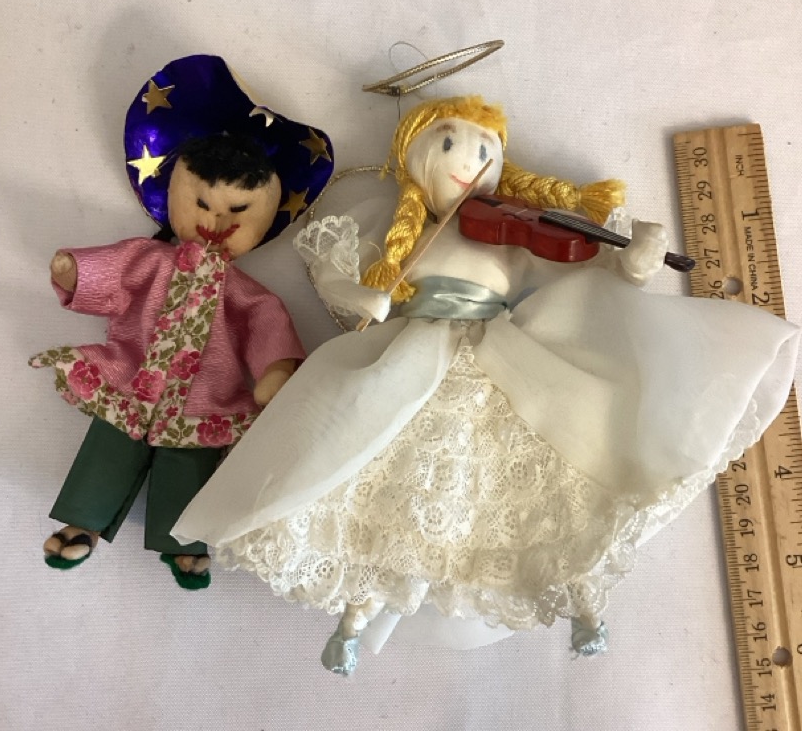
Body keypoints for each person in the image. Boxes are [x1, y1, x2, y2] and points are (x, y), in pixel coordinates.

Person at [173, 95, 798, 666]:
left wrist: (632, 263)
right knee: (377, 472)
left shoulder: (514, 237)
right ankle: (355, 617)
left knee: (545, 472)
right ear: (416, 159)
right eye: (449, 146)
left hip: (499, 352)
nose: (469, 165)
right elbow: (340, 272)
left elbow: (581, 281)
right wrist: (369, 295)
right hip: (411, 349)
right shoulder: (402, 230)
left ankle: (583, 601)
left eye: (484, 151)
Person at [32, 55, 333, 588]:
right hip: (130, 379)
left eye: (238, 212)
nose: (216, 221)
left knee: (189, 465)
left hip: (204, 399)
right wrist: (77, 273)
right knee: (109, 444)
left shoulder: (248, 295)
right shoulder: (148, 260)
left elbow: (267, 330)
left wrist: (275, 372)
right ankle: (83, 522)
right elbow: (115, 274)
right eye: (203, 203)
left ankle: (185, 543)